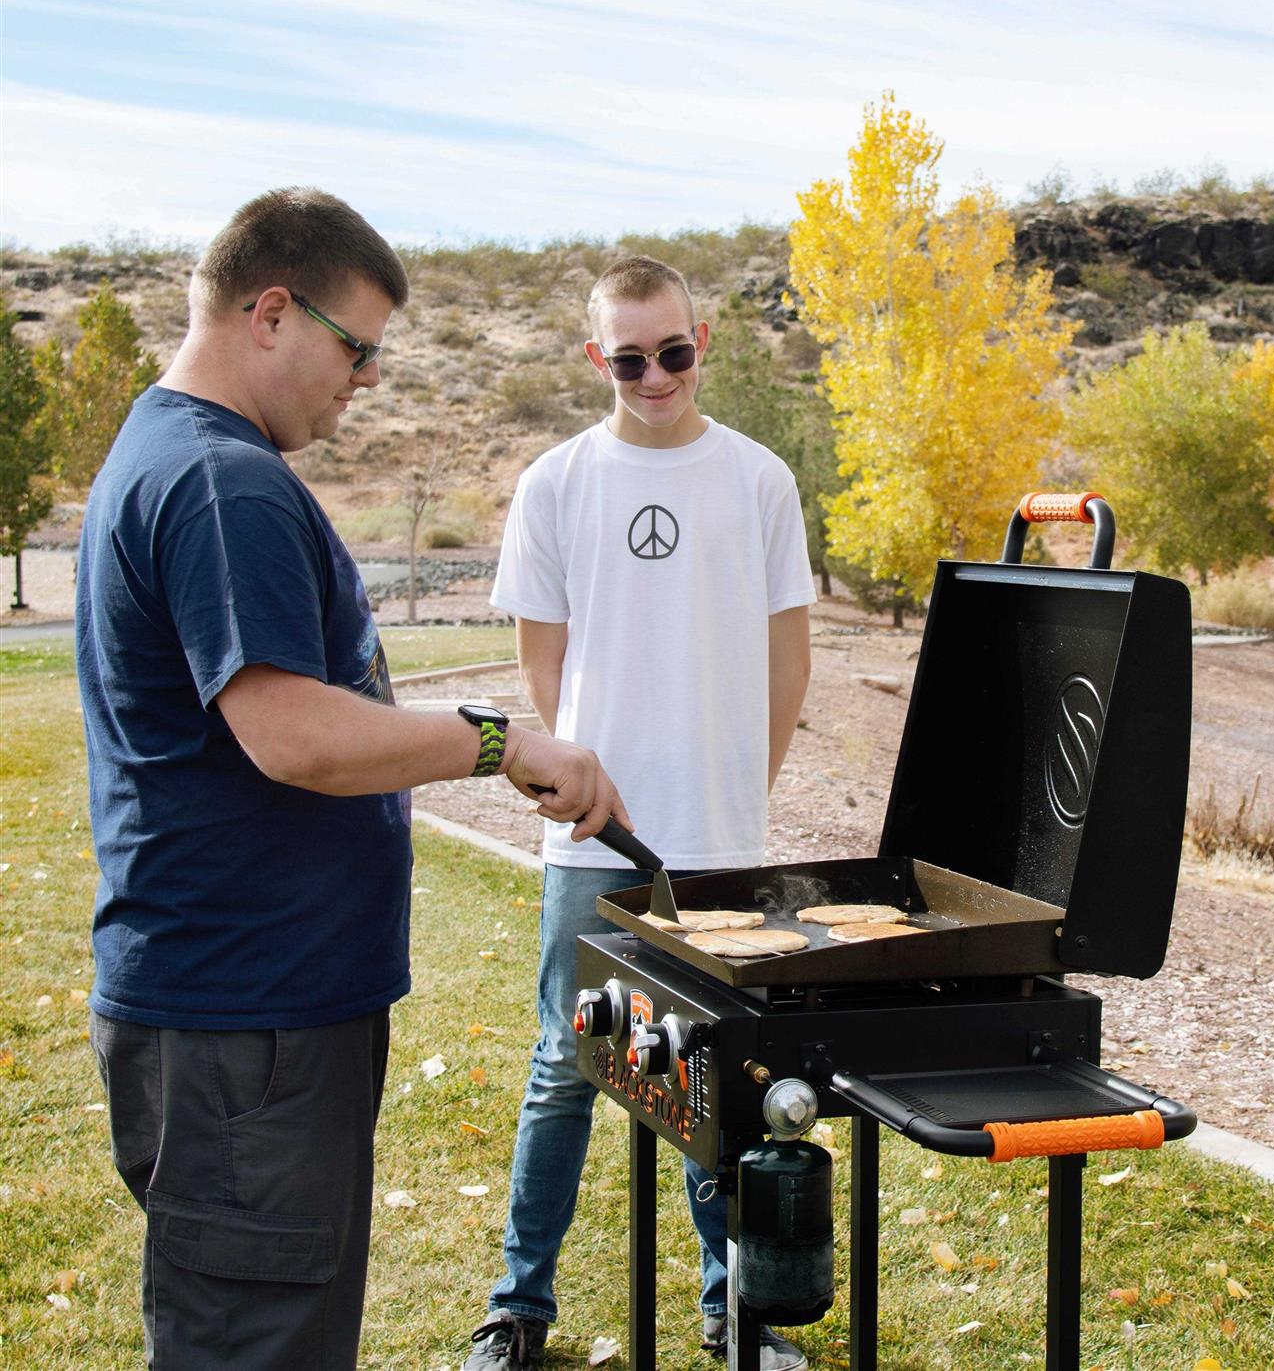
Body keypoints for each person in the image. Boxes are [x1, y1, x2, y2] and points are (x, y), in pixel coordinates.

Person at [76, 187, 629, 1371]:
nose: (367, 378)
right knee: (258, 1346)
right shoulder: (222, 484)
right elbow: (293, 735)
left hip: (234, 1017)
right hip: (248, 1025)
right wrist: (503, 742)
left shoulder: (174, 454)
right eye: (358, 346)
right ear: (272, 311)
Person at [463, 258, 815, 1371]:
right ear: (595, 359)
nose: (655, 375)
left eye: (673, 351)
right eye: (629, 358)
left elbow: (787, 661)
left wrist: (736, 796)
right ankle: (518, 1311)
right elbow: (543, 667)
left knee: (712, 1079)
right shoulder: (556, 483)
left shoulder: (759, 480)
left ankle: (736, 1313)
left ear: (701, 339)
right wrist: (581, 782)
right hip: (590, 840)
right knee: (566, 1067)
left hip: (718, 842)